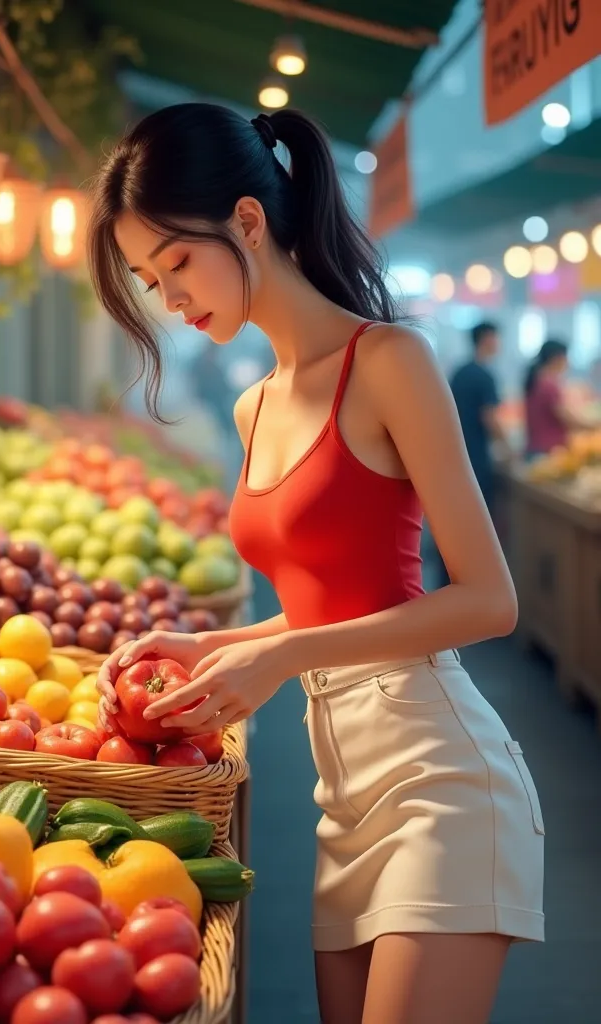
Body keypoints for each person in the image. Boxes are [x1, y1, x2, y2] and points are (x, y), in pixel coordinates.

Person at [88, 103, 544, 1024]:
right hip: (343, 799)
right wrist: (210, 642)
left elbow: (489, 602)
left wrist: (280, 657)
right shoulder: (255, 408)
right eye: (149, 278)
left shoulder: (388, 361)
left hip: (440, 779)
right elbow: (333, 604)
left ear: (249, 221)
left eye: (176, 261)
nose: (168, 297)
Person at [449, 322, 510, 513]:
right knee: (480, 509)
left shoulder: (460, 372)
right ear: (486, 339)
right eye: (496, 338)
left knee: (459, 509)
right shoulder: (485, 376)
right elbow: (490, 417)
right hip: (477, 453)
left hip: (456, 450)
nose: (498, 343)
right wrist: (508, 448)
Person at [524, 339, 590, 457]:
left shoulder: (538, 380)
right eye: (566, 357)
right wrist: (592, 425)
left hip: (537, 447)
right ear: (556, 359)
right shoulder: (548, 385)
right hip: (547, 451)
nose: (568, 362)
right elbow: (566, 417)